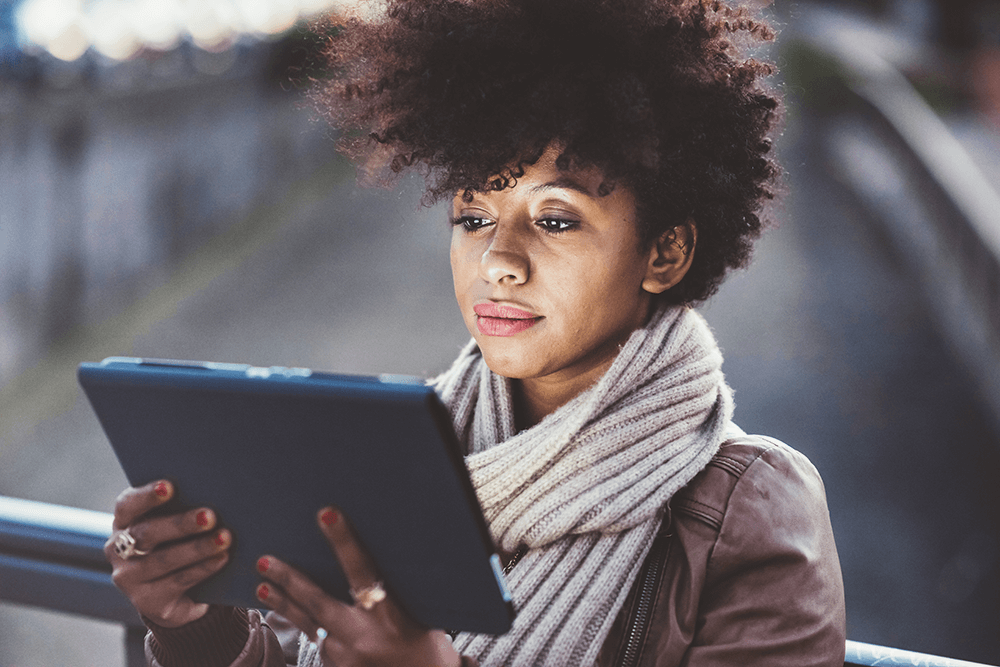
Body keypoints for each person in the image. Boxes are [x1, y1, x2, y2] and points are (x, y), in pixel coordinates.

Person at [104, 1, 847, 665]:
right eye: (473, 217)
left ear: (665, 252)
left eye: (554, 219)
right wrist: (198, 624)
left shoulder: (748, 515)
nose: (498, 262)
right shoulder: (395, 453)